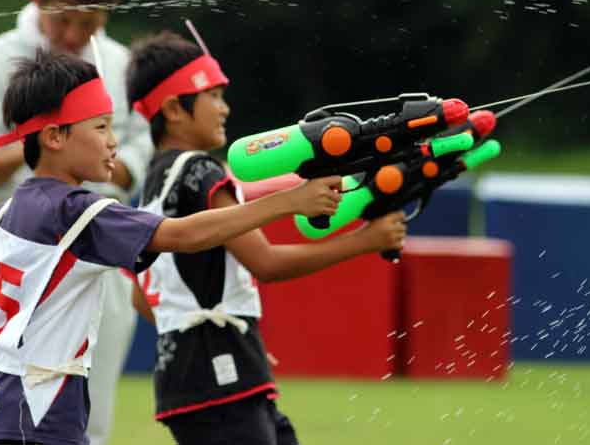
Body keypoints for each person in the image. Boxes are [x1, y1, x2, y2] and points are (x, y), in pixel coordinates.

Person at [0, 50, 344, 445]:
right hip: (43, 411)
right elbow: (183, 234)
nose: (114, 142)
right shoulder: (79, 212)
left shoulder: (1, 215)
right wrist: (289, 202)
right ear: (55, 136)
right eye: (99, 127)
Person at [126, 29, 406, 445]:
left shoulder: (154, 180)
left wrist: (211, 333)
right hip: (219, 378)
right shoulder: (201, 172)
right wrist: (366, 241)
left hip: (193, 378)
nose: (225, 108)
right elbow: (266, 263)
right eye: (214, 96)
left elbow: (140, 296)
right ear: (174, 109)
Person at [0, 0, 152, 445]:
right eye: (63, 19)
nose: (74, 34)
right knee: (9, 404)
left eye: (90, 23)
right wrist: (47, 139)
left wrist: (103, 162)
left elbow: (139, 154)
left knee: (91, 413)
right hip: (18, 254)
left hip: (99, 247)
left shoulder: (121, 64)